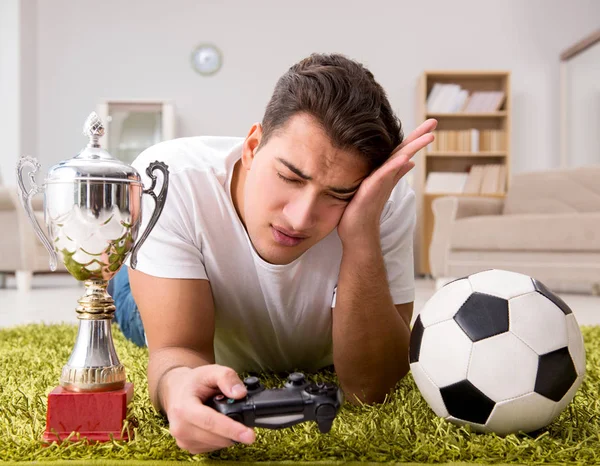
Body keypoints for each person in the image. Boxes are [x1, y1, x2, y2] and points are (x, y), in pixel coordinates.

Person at [108, 52, 437, 454]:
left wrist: (362, 234)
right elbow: (178, 351)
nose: (299, 219)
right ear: (251, 147)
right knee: (125, 301)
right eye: (288, 177)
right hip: (184, 283)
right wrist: (177, 388)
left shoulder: (384, 200)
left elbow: (372, 387)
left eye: (338, 195)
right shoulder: (170, 178)